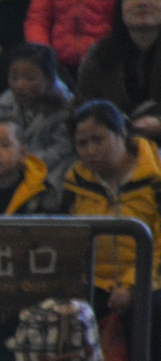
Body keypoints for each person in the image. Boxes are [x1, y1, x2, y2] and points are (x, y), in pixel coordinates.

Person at [57, 99, 161, 324]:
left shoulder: (156, 177)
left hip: (149, 280)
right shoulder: (74, 182)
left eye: (98, 140)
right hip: (93, 283)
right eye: (82, 144)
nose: (90, 150)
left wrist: (132, 286)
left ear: (122, 134)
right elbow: (67, 244)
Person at [73, 0, 161, 136]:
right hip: (114, 145)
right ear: (119, 6)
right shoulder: (99, 55)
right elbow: (81, 108)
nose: (143, 3)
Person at [0, 40, 77, 170]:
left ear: (49, 80)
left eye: (29, 79)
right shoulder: (5, 104)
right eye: (14, 78)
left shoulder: (65, 109)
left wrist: (27, 164)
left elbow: (61, 149)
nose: (19, 85)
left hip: (51, 172)